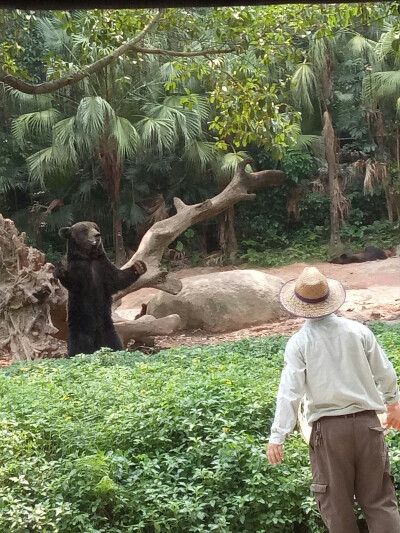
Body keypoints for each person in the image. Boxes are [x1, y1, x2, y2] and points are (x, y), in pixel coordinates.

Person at [266, 266, 400, 533]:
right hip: (367, 426)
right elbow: (384, 371)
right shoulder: (358, 332)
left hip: (329, 433)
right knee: (380, 501)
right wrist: (393, 403)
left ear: (299, 306)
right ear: (330, 298)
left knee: (336, 507)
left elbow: (290, 392)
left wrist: (277, 435)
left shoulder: (299, 342)